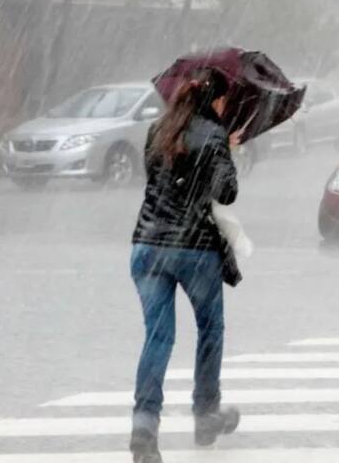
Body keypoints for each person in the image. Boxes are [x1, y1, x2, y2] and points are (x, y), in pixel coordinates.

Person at [130, 68, 242, 463]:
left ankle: (144, 424)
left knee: (157, 339)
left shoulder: (157, 130)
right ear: (216, 100)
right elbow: (226, 191)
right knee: (210, 329)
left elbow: (159, 178)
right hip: (194, 249)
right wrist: (227, 148)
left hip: (146, 246)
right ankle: (206, 414)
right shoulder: (213, 135)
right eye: (225, 101)